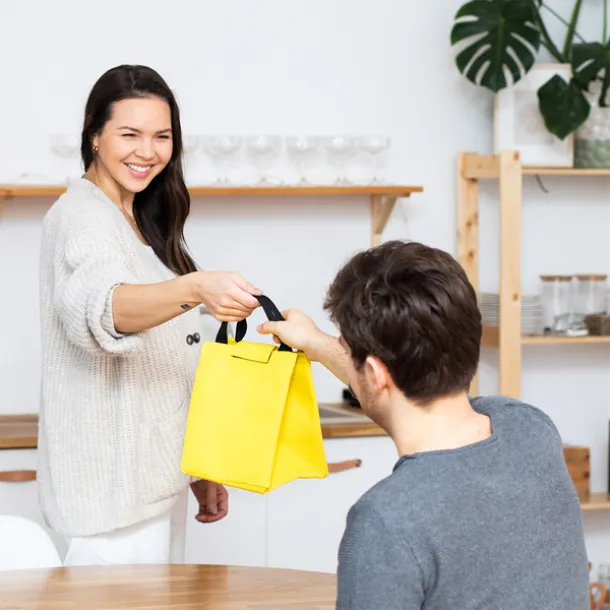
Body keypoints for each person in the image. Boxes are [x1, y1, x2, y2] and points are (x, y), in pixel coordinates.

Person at [257, 240, 589, 609]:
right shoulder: (529, 427)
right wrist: (319, 344)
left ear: (373, 371)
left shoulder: (386, 521)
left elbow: (390, 386)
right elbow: (402, 385)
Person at [38, 64, 262, 565]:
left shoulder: (138, 219)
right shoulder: (83, 218)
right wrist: (196, 287)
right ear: (94, 136)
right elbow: (102, 307)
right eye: (129, 134)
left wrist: (199, 465)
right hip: (109, 496)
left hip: (151, 481)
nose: (148, 151)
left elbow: (166, 362)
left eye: (162, 136)